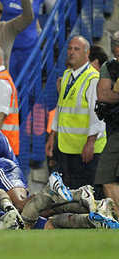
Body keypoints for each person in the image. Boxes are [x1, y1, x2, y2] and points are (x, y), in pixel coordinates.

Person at [46, 36, 106, 190]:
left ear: (87, 53)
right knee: (69, 194)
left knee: (86, 194)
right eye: (70, 48)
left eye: (77, 49)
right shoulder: (67, 76)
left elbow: (97, 113)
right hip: (67, 147)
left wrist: (91, 142)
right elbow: (62, 108)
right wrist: (53, 135)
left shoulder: (93, 78)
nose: (72, 52)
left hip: (86, 150)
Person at [95, 31, 119, 216]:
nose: (116, 54)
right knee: (106, 176)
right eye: (115, 50)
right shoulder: (110, 66)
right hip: (115, 130)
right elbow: (102, 94)